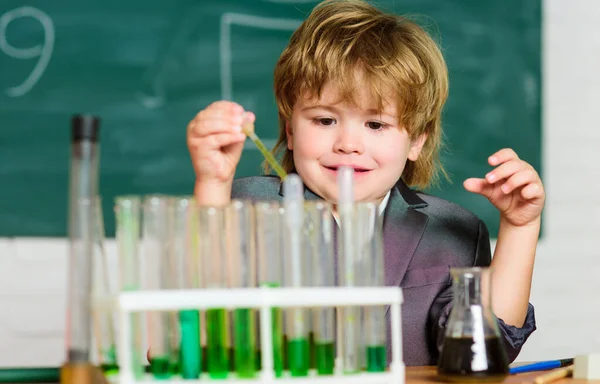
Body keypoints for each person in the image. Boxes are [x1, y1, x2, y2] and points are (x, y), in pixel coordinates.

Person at [186, 0, 544, 366]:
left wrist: (520, 226)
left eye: (376, 125)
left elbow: (486, 350)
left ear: (417, 140)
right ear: (291, 129)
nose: (348, 144)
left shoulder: (454, 233)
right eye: (325, 121)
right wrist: (212, 184)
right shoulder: (239, 207)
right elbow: (188, 349)